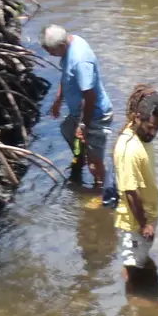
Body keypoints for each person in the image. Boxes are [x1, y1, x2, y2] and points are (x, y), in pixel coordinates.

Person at [41, 25, 115, 197]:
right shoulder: (70, 43)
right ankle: (81, 160)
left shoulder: (80, 60)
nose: (50, 55)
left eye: (51, 51)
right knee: (66, 129)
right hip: (79, 111)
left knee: (94, 162)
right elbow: (67, 75)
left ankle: (101, 192)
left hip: (96, 114)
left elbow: (89, 98)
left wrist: (82, 125)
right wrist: (58, 99)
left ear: (61, 45)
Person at [113, 84, 158, 284]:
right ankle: (134, 302)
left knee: (140, 260)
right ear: (137, 117)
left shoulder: (141, 135)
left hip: (145, 218)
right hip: (135, 224)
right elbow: (129, 192)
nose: (154, 133)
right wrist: (145, 225)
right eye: (151, 127)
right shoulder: (129, 149)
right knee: (134, 268)